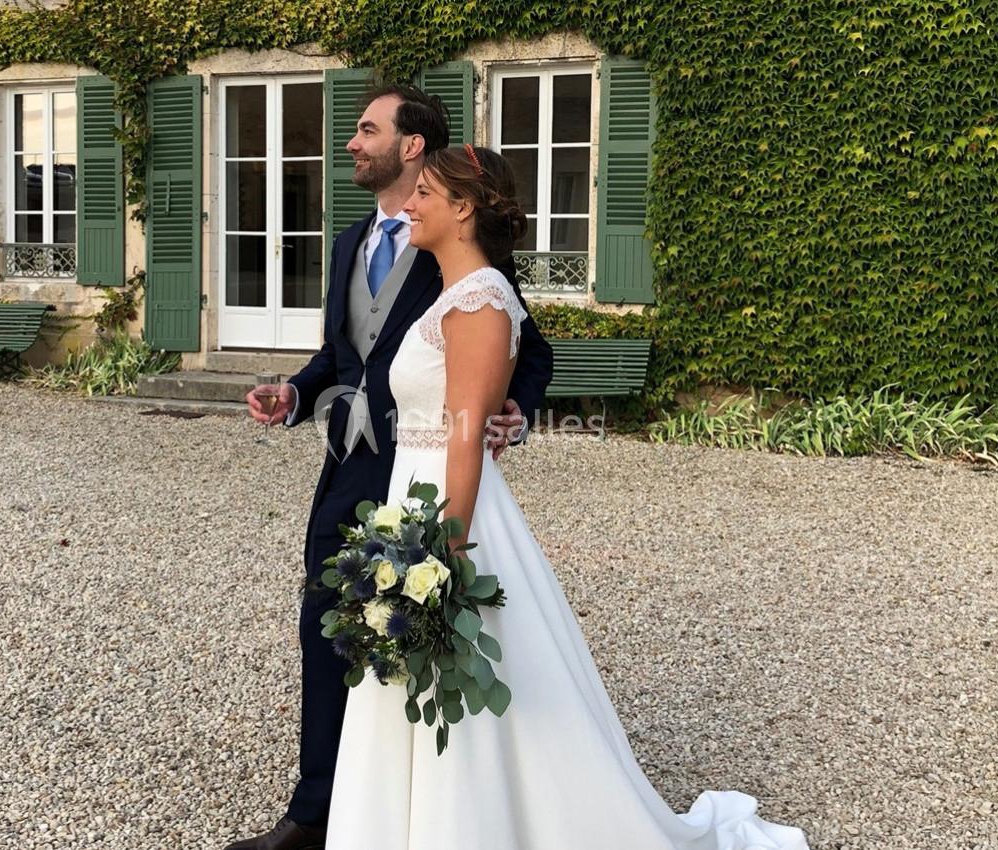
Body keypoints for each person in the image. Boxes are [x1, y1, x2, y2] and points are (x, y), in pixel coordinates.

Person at [322, 145, 811, 850]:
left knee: (464, 675)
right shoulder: (450, 295)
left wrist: (444, 553)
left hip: (449, 511)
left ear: (463, 209)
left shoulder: (483, 299)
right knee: (413, 678)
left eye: (424, 192)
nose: (409, 204)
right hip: (411, 498)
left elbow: (465, 437)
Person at [228, 88, 554, 850]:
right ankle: (315, 813)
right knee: (328, 625)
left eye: (367, 129)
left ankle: (428, 807)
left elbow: (524, 348)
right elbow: (341, 353)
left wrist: (514, 408)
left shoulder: (463, 257)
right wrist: (296, 392)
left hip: (426, 471)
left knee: (418, 638)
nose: (351, 142)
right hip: (350, 465)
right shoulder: (349, 243)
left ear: (412, 147)